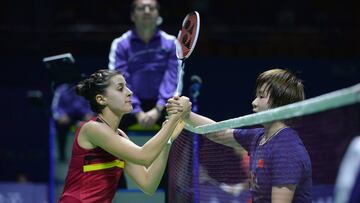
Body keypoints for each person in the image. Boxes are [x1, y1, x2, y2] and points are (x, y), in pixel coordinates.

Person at [167, 68, 312, 202]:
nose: (254, 102)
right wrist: (186, 114)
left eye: (261, 96)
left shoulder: (286, 150)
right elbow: (218, 133)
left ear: (280, 104)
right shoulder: (259, 137)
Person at [58, 69, 191, 202]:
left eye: (127, 86)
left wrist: (168, 140)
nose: (129, 92)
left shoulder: (119, 136)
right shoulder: (92, 129)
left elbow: (148, 184)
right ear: (101, 99)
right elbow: (144, 156)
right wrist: (175, 118)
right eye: (120, 88)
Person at [108, 0, 180, 130]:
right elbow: (119, 80)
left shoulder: (171, 43)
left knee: (183, 127)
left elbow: (173, 78)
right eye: (141, 8)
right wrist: (136, 110)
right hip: (128, 101)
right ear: (133, 16)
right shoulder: (120, 44)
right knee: (107, 123)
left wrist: (158, 108)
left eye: (151, 8)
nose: (147, 11)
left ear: (158, 15)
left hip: (164, 104)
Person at [51, 83, 93, 161]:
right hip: (67, 118)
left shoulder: (86, 89)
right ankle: (62, 156)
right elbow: (56, 107)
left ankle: (89, 155)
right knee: (60, 127)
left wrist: (89, 114)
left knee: (93, 125)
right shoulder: (61, 90)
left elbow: (90, 106)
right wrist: (61, 115)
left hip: (81, 116)